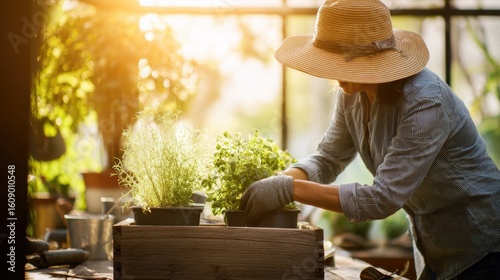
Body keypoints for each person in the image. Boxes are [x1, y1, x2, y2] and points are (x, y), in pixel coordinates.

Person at [238, 0, 500, 279]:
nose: (334, 74)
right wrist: (275, 184)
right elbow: (328, 159)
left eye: (340, 63)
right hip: (434, 251)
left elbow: (382, 198)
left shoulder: (425, 102)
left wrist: (290, 189)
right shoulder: (351, 95)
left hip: (484, 247)